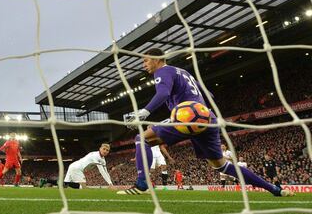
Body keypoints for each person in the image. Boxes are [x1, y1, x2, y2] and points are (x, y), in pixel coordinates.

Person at [117, 48, 293, 197]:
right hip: (207, 118)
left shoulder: (162, 72)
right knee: (222, 165)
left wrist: (144, 112)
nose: (144, 65)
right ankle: (275, 189)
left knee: (142, 138)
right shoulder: (184, 73)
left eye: (146, 61)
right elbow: (209, 94)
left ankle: (142, 184)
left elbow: (162, 94)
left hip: (187, 116)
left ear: (157, 59)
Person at [42, 144, 112, 189]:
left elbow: (106, 172)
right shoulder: (96, 156)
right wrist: (110, 184)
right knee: (83, 187)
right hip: (77, 168)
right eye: (104, 149)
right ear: (100, 148)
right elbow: (102, 171)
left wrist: (111, 183)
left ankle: (46, 180)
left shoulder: (103, 160)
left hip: (73, 165)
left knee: (65, 185)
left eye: (107, 150)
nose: (105, 151)